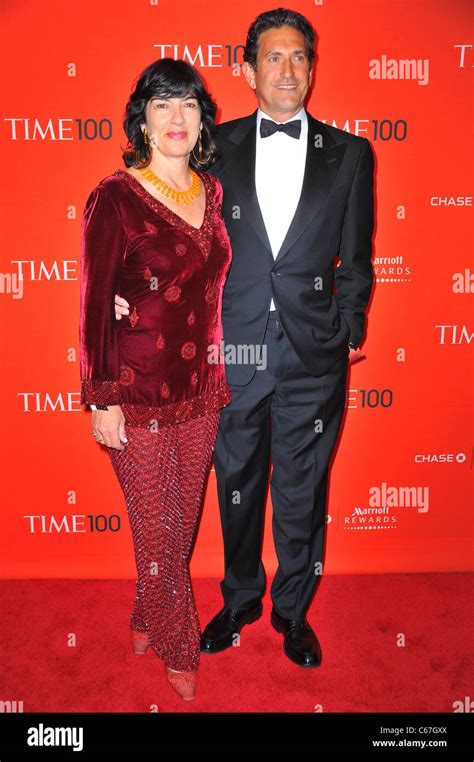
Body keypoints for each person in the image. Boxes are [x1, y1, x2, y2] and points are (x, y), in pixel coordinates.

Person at [115, 8, 375, 669]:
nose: (287, 69)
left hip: (314, 356)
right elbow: (180, 241)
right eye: (273, 57)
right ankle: (239, 601)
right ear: (249, 69)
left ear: (311, 69)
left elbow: (358, 255)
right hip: (232, 354)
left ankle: (292, 613)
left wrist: (347, 330)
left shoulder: (349, 154)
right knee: (235, 482)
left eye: (298, 58)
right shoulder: (215, 147)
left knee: (302, 489)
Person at [79, 58, 232, 700]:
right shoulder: (113, 196)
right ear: (142, 117)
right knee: (157, 527)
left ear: (202, 122)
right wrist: (101, 399)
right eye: (163, 104)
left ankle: (145, 614)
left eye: (189, 105)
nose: (176, 117)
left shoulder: (213, 192)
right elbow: (93, 305)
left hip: (201, 388)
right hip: (136, 390)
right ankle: (176, 641)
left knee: (182, 520)